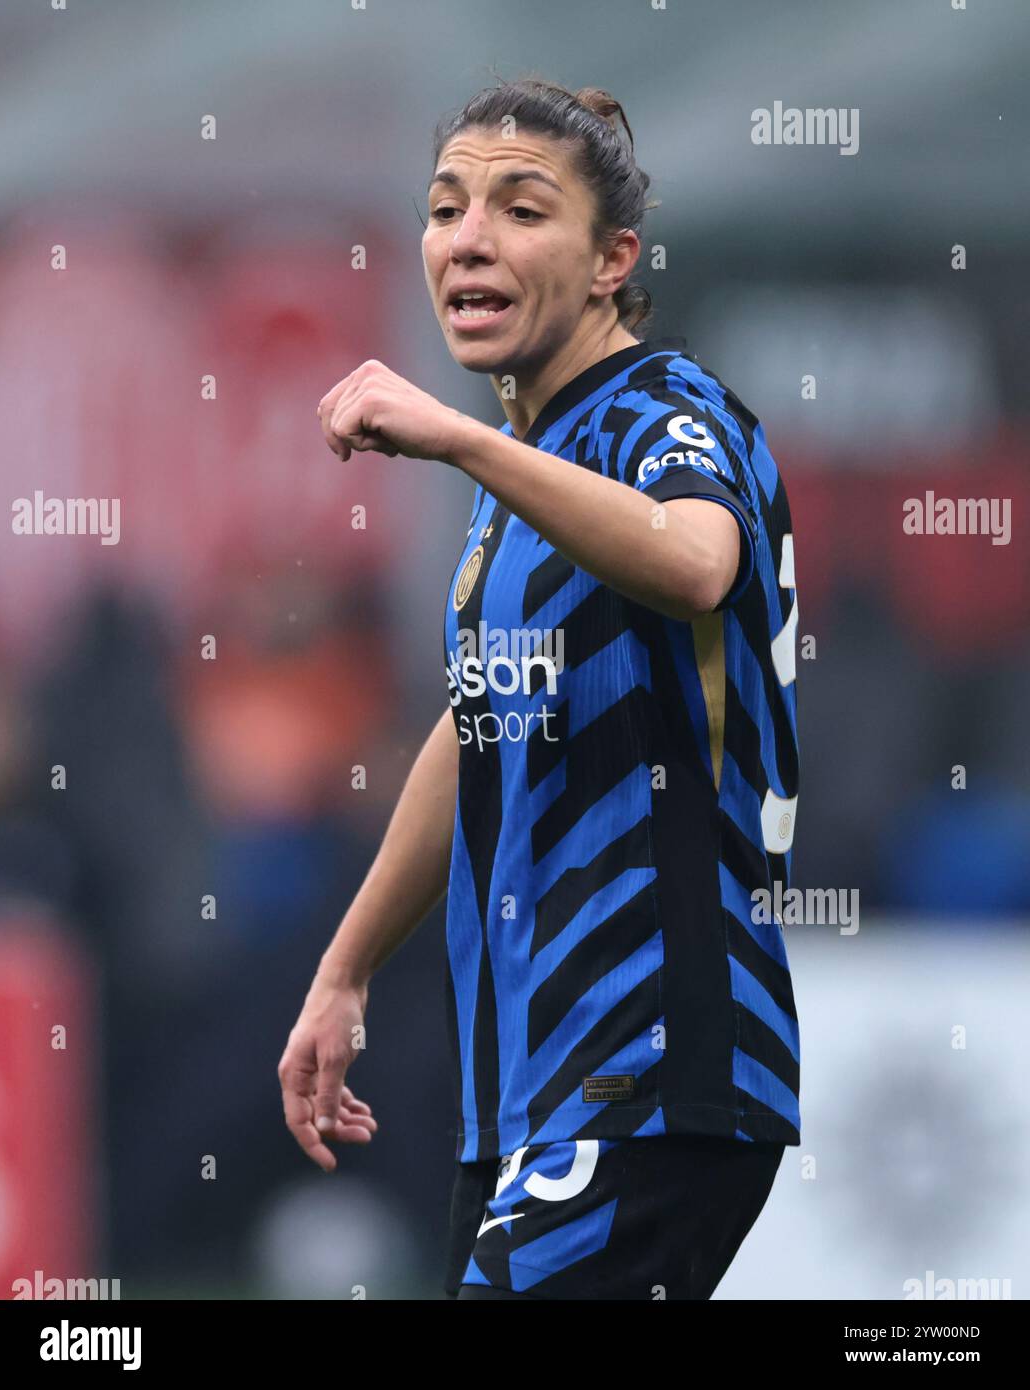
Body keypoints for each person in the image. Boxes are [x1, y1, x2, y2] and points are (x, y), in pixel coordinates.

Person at [280, 76, 801, 1301]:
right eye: (445, 206)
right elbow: (477, 729)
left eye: (520, 210)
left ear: (611, 259)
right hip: (527, 1086)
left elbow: (692, 559)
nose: (469, 237)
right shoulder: (524, 480)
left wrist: (464, 438)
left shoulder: (666, 411)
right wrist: (344, 966)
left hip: (654, 1062)